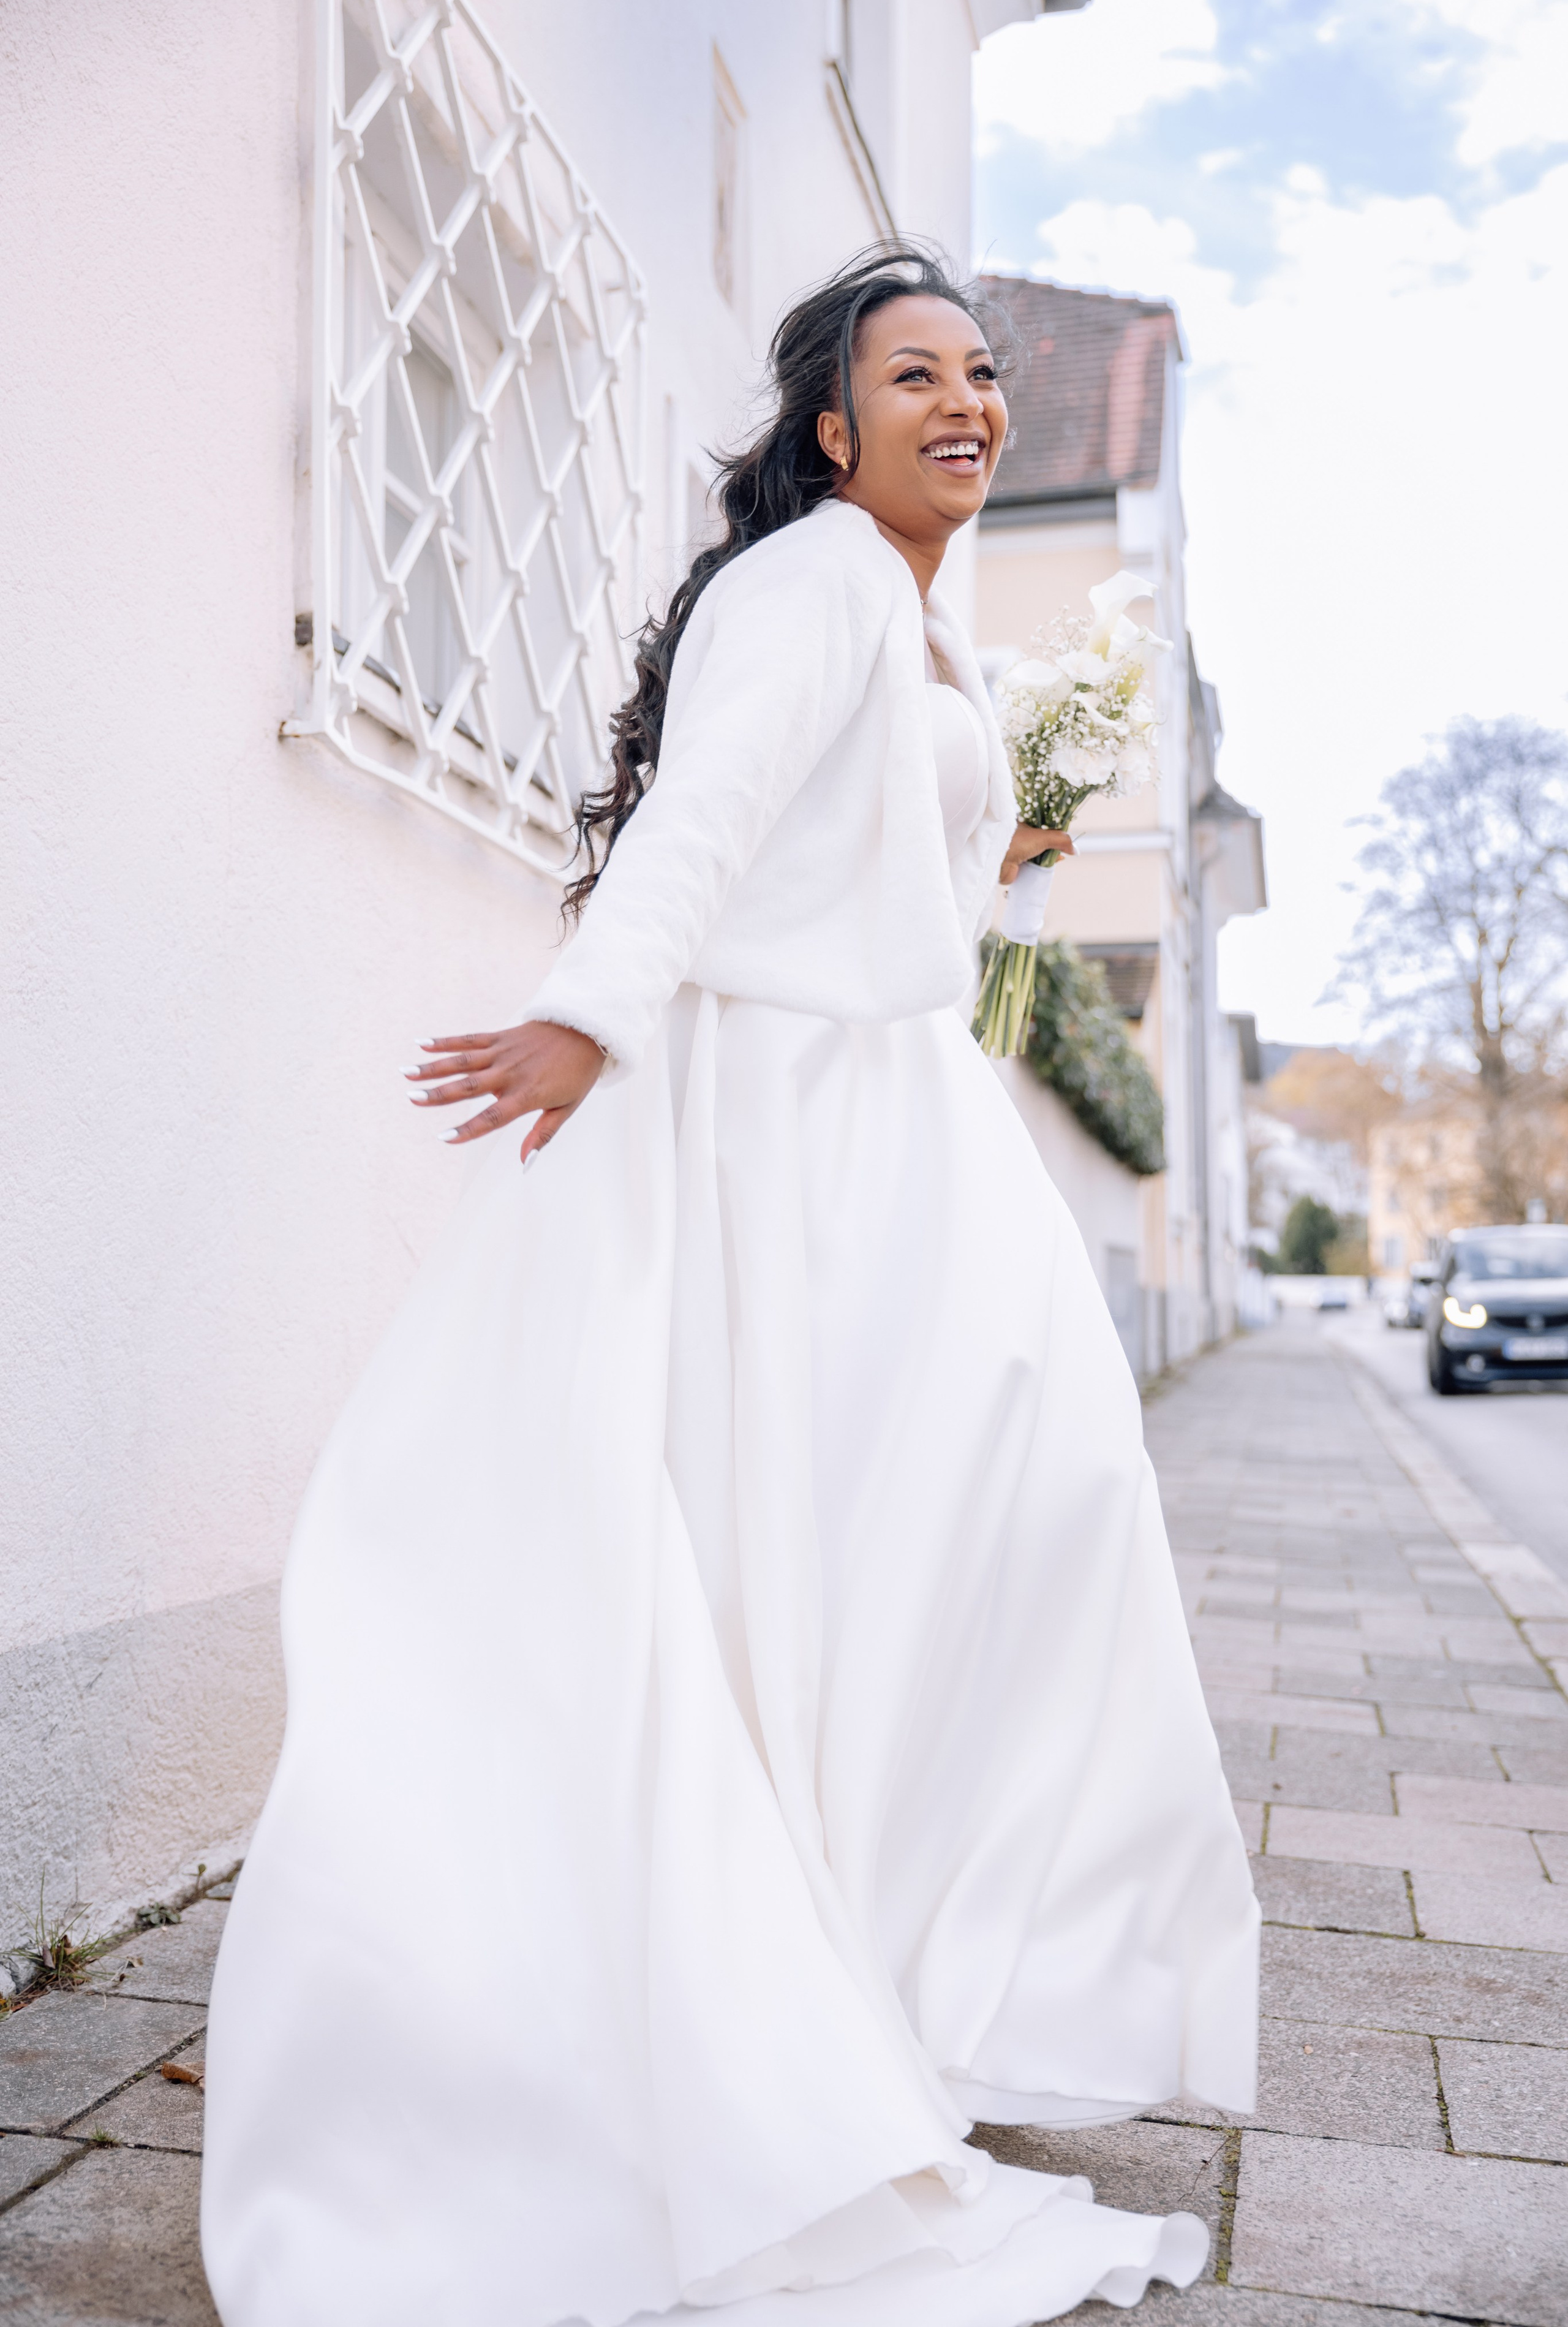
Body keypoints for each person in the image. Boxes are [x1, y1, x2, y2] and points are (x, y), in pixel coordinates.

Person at [201, 243, 1258, 2327]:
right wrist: (586, 1014)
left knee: (949, 1572)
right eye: (913, 375)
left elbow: (859, 865)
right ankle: (787, 2024)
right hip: (803, 1146)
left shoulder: (928, 636)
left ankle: (868, 1990)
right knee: (842, 1573)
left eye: (985, 375)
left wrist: (985, 853)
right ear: (833, 428)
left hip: (895, 1134)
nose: (965, 401)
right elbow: (704, 820)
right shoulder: (818, 587)